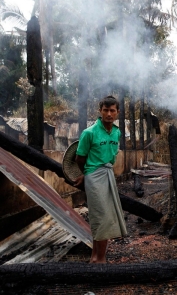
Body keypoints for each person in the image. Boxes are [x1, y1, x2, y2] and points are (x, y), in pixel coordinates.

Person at [74, 95, 127, 264]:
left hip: (108, 174)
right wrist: (87, 174)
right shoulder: (89, 133)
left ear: (117, 112)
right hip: (94, 177)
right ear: (100, 111)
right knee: (101, 216)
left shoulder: (117, 132)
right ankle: (101, 259)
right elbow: (80, 158)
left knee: (102, 217)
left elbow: (111, 158)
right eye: (106, 110)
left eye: (112, 110)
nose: (109, 114)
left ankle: (95, 257)